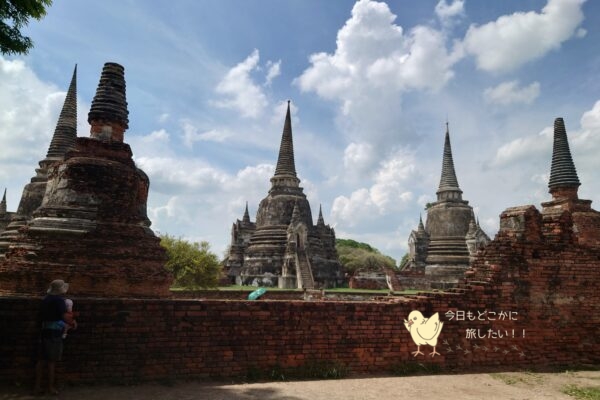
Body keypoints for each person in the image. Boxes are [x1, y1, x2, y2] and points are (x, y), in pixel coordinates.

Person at [33, 279, 70, 396]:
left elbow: (39, 317)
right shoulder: (59, 301)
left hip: (43, 332)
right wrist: (72, 323)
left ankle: (37, 387)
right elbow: (64, 317)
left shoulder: (46, 299)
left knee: (40, 361)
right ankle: (50, 387)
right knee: (51, 362)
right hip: (54, 333)